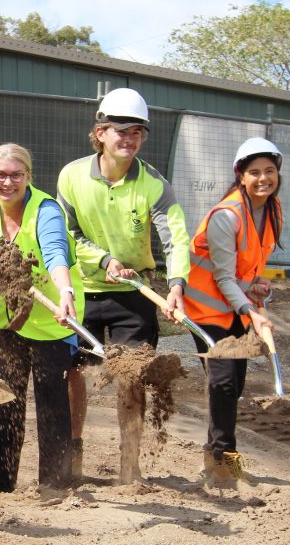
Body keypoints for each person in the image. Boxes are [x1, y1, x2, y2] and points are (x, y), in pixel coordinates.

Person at [56, 88, 191, 484]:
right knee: (72, 374)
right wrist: (102, 260)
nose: (129, 139)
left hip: (134, 295)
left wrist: (176, 283)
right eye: (121, 130)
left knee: (132, 378)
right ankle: (71, 456)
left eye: (137, 132)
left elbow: (176, 238)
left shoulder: (154, 185)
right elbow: (66, 233)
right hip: (83, 291)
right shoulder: (72, 175)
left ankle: (129, 466)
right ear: (100, 133)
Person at [0, 144, 84, 494]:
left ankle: (54, 485)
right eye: (0, 175)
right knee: (6, 399)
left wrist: (65, 293)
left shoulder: (46, 209)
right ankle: (1, 485)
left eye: (15, 175)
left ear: (28, 177)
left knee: (51, 401)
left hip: (51, 320)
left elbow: (55, 253)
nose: (7, 182)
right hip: (3, 322)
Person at [184, 138, 283, 486]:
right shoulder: (227, 215)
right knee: (224, 383)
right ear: (241, 175)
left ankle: (213, 459)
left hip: (236, 308)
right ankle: (226, 466)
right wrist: (251, 310)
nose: (263, 178)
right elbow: (223, 277)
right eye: (254, 172)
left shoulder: (272, 211)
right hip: (206, 309)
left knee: (232, 386)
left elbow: (244, 270)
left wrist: (255, 287)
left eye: (269, 171)